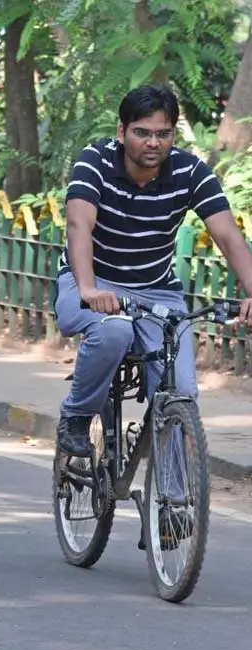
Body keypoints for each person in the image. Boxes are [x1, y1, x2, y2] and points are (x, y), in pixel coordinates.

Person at [55, 86, 252, 470]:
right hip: (91, 281)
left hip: (157, 291)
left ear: (173, 136)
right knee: (114, 332)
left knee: (181, 392)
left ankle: (175, 502)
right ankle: (77, 415)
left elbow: (228, 236)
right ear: (121, 131)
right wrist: (89, 289)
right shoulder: (95, 162)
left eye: (163, 134)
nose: (153, 142)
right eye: (142, 132)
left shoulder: (189, 172)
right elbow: (79, 225)